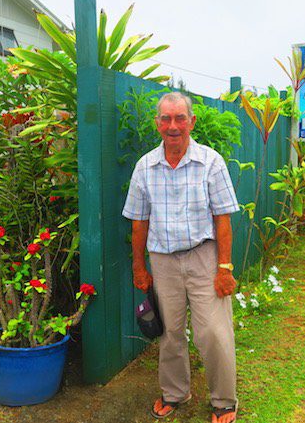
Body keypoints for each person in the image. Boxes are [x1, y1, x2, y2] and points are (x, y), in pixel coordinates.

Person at [122, 92, 240, 423]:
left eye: (179, 118)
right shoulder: (145, 166)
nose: (173, 126)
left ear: (191, 121)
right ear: (158, 123)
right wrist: (139, 266)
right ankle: (176, 392)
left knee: (214, 332)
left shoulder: (211, 162)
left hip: (204, 256)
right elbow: (138, 221)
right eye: (166, 119)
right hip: (163, 260)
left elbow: (223, 220)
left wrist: (224, 268)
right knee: (170, 333)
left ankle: (224, 400)